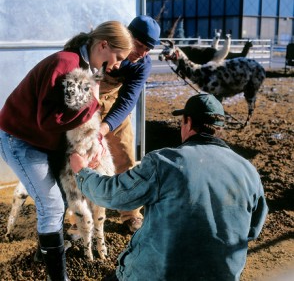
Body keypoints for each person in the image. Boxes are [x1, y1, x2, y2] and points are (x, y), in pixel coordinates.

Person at [70, 93, 268, 281]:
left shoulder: (164, 162)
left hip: (158, 274)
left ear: (187, 122)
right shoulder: (249, 172)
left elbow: (112, 195)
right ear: (220, 127)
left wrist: (82, 171)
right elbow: (252, 230)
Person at [0, 21, 133, 281]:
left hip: (43, 140)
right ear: (103, 45)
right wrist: (93, 100)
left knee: (58, 200)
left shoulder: (86, 69)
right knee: (52, 205)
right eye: (118, 57)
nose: (117, 65)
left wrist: (93, 145)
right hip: (21, 139)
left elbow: (80, 121)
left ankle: (43, 252)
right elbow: (49, 121)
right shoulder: (66, 64)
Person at [98, 15, 161, 232]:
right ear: (127, 35)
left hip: (114, 101)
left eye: (148, 49)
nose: (141, 53)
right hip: (86, 96)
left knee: (124, 152)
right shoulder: (103, 46)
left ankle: (131, 212)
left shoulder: (142, 64)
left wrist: (104, 127)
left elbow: (127, 100)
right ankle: (81, 213)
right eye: (139, 45)